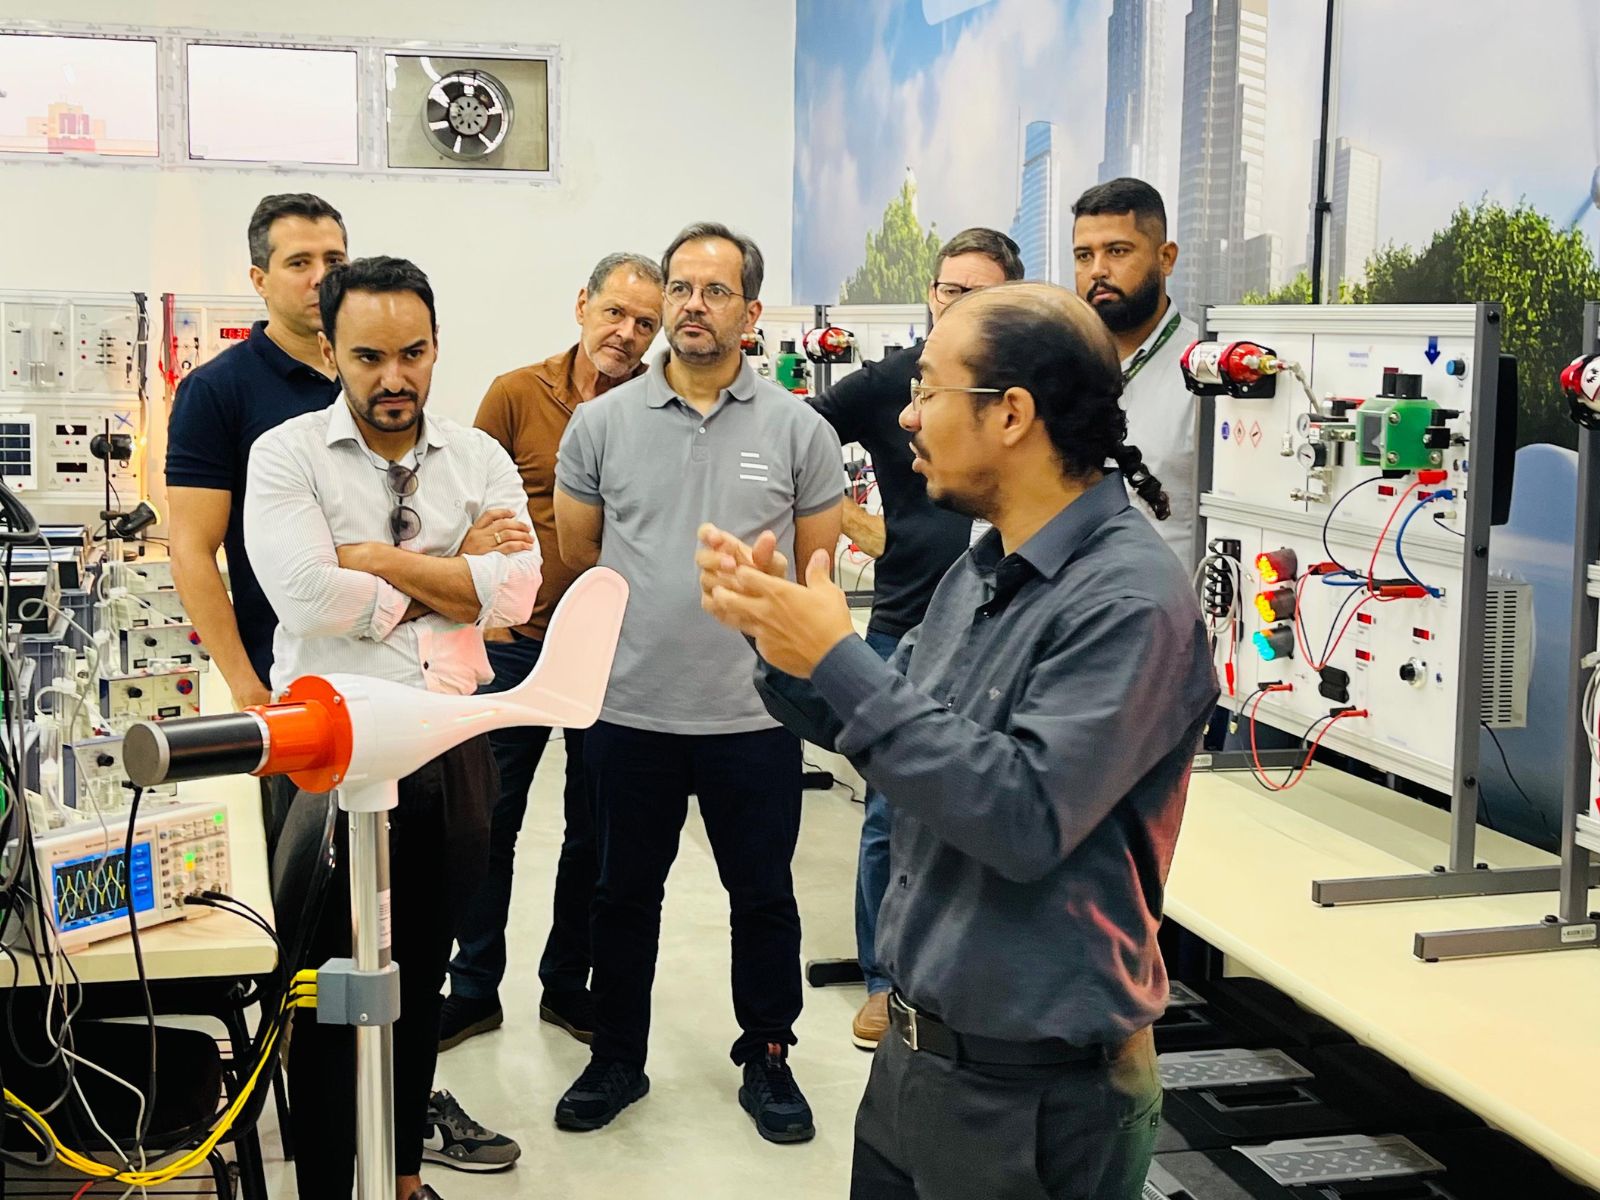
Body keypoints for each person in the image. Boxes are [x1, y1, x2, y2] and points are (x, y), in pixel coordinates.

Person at [696, 283, 1218, 1199]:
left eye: (928, 389)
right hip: (918, 1062)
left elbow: (1020, 815)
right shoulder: (981, 569)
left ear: (1011, 413)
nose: (906, 415)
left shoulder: (1129, 600)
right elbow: (898, 737)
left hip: (1037, 1098)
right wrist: (779, 639)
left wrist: (837, 657)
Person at [245, 257, 538, 1200]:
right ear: (330, 351)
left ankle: (403, 1176)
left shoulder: (477, 458)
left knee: (418, 978)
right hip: (325, 755)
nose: (394, 377)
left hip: (449, 746)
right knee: (326, 991)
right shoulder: (287, 455)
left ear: (436, 346)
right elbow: (303, 592)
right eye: (369, 357)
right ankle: (332, 1187)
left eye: (413, 353)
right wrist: (454, 573)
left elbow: (519, 594)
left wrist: (370, 559)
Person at [552, 222, 844, 1143]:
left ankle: (769, 1056)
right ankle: (616, 1056)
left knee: (762, 898)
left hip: (754, 715)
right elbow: (581, 552)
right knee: (620, 897)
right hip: (629, 708)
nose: (692, 305)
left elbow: (817, 572)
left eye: (715, 291)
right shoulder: (601, 424)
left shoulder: (799, 429)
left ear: (750, 312)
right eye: (680, 287)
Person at [441, 251, 664, 1052]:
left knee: (594, 832)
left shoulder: (660, 411)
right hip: (516, 646)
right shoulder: (514, 393)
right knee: (486, 823)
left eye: (645, 322)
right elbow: (462, 504)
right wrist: (485, 614)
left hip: (611, 653)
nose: (627, 332)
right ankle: (474, 987)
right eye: (615, 313)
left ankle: (568, 984)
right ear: (582, 306)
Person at [812, 226, 1022, 1051]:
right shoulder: (892, 383)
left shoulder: (1029, 387)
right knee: (889, 814)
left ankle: (966, 974)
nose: (958, 304)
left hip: (1007, 624)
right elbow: (797, 435)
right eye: (948, 290)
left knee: (988, 803)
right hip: (910, 621)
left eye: (979, 293)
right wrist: (849, 520)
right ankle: (884, 979)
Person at [167, 193, 345, 847]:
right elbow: (192, 549)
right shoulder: (218, 390)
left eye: (335, 260)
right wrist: (246, 683)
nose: (321, 277)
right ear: (259, 280)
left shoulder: (372, 376)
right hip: (290, 683)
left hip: (386, 677)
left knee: (404, 876)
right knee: (313, 879)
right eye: (299, 262)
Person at [1072, 177, 1200, 566]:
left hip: (1165, 599)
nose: (1097, 271)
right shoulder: (1059, 365)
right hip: (1070, 597)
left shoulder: (1206, 374)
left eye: (1117, 251)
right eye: (1084, 256)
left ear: (1166, 258)